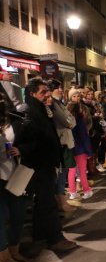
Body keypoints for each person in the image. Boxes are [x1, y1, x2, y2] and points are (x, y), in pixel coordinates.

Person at [16, 78, 77, 252]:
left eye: (47, 91)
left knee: (42, 202)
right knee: (48, 203)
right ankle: (55, 238)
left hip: (46, 163)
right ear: (32, 94)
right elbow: (32, 139)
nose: (47, 94)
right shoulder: (31, 112)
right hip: (40, 165)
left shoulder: (41, 109)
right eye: (43, 92)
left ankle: (40, 235)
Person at [0, 92, 27, 262]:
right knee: (2, 218)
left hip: (14, 175)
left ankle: (13, 250)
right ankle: (4, 259)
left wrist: (20, 150)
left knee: (17, 214)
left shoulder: (14, 122)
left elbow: (27, 142)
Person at [47, 80, 76, 213]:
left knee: (64, 172)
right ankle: (61, 202)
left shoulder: (59, 102)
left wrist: (69, 119)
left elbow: (71, 119)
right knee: (61, 173)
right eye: (58, 88)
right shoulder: (53, 103)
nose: (61, 90)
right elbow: (66, 121)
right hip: (62, 141)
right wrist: (69, 120)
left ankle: (61, 201)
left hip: (65, 140)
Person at [66, 90, 94, 200]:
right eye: (74, 96)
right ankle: (87, 190)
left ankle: (73, 192)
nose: (77, 98)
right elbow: (83, 135)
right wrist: (89, 151)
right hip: (80, 148)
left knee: (71, 171)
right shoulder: (79, 118)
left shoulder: (66, 116)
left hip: (70, 147)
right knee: (82, 171)